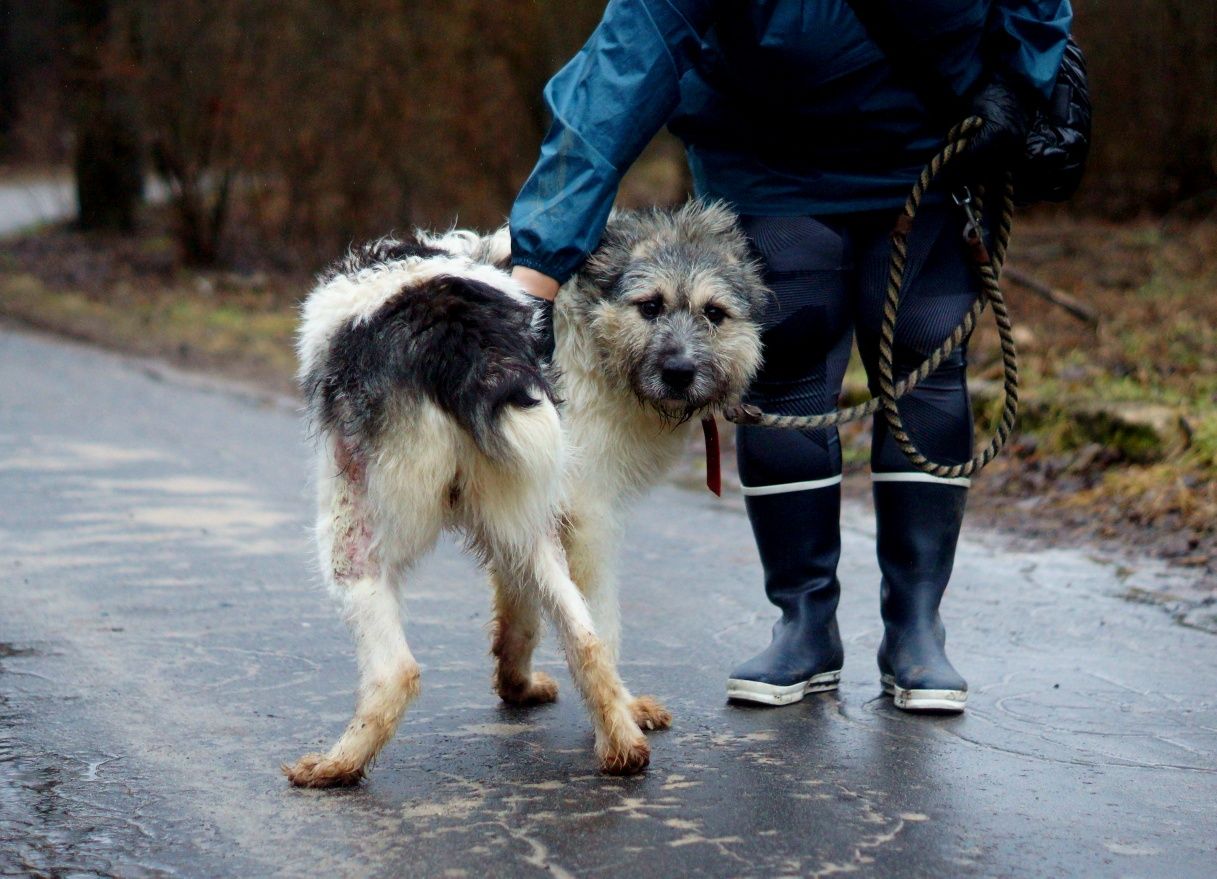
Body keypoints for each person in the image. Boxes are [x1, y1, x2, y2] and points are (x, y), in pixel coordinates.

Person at [508, 0, 1072, 712]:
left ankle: (915, 629)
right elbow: (616, 76)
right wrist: (533, 278)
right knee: (787, 361)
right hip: (769, 160)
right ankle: (803, 623)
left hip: (935, 141)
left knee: (926, 360)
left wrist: (1019, 82)